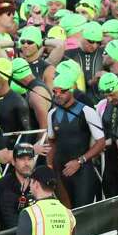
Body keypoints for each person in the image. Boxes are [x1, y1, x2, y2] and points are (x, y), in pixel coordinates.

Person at [46, 61, 105, 207]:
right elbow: (52, 142)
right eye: (55, 91)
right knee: (66, 213)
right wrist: (49, 166)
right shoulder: (52, 114)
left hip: (82, 170)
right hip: (60, 170)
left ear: (71, 90)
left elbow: (101, 142)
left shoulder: (87, 111)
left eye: (62, 91)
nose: (58, 95)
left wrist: (80, 161)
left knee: (83, 211)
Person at [0, 142, 36, 231]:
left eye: (30, 159)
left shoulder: (39, 183)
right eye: (22, 159)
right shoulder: (3, 185)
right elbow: (10, 221)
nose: (26, 163)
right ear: (13, 161)